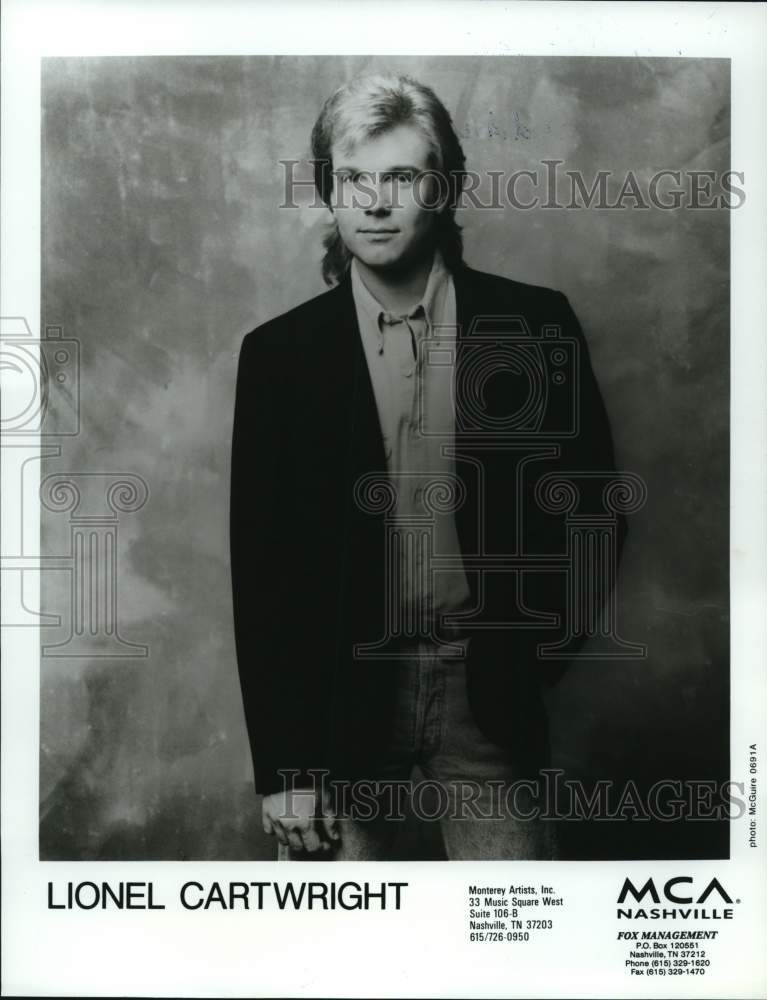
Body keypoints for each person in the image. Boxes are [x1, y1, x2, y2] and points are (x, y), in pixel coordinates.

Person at [230, 73, 623, 860]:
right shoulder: (279, 356)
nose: (375, 204)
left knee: (517, 930)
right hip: (337, 706)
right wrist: (285, 764)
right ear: (328, 192)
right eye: (354, 179)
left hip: (487, 697)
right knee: (326, 938)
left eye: (402, 177)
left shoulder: (532, 325)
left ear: (443, 189)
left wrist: (528, 660)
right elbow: (263, 576)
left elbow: (593, 513)